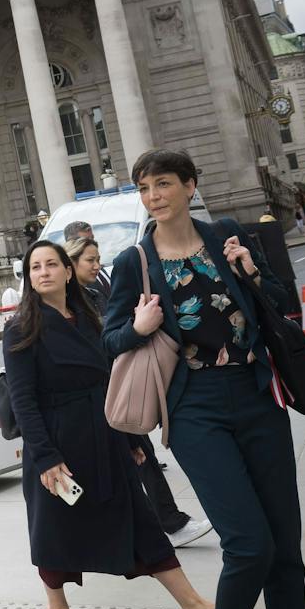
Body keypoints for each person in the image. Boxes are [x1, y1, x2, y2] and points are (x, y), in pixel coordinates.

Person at [104, 147, 305, 609]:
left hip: (257, 397)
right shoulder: (134, 261)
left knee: (286, 550)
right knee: (249, 544)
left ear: (191, 185)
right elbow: (110, 338)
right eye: (144, 188)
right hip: (194, 409)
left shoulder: (228, 237)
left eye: (164, 183)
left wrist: (251, 273)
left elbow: (282, 305)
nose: (154, 196)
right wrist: (135, 328)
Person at [4, 243, 216, 609]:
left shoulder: (88, 318)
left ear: (68, 272)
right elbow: (22, 400)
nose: (43, 272)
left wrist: (132, 437)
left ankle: (194, 606)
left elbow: (110, 382)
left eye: (52, 264)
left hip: (104, 437)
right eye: (35, 267)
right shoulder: (21, 327)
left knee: (141, 521)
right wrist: (47, 457)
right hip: (56, 446)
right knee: (55, 530)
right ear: (28, 277)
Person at [67, 235, 213, 549]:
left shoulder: (96, 290)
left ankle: (141, 526)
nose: (96, 265)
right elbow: (102, 340)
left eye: (97, 259)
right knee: (136, 457)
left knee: (133, 458)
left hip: (113, 386)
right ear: (73, 263)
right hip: (105, 391)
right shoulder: (74, 301)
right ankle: (169, 524)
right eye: (89, 260)